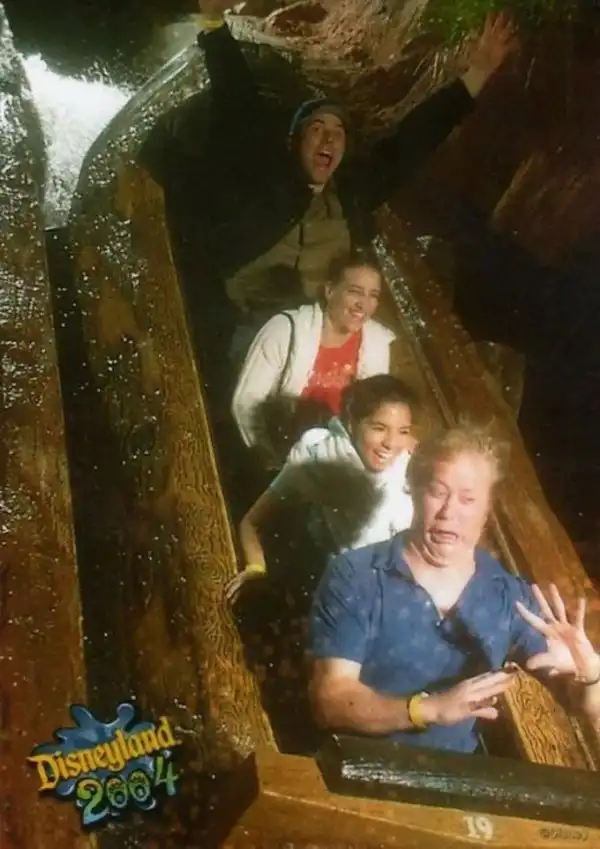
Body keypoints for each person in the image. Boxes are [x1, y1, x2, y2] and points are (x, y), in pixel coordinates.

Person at [141, 5, 519, 389]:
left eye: (337, 133)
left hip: (324, 330)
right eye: (316, 129)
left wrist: (477, 74)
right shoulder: (264, 179)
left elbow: (412, 140)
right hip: (248, 325)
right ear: (296, 142)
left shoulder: (352, 193)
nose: (328, 139)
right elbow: (238, 100)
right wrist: (213, 24)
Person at [308, 424, 600, 753]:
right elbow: (329, 701)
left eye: (468, 499)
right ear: (414, 491)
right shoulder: (356, 575)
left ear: (487, 510)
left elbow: (587, 707)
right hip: (356, 767)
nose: (449, 513)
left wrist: (592, 676)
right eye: (438, 492)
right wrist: (429, 709)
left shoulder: (508, 596)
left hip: (454, 776)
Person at [226, 374, 419, 602]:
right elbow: (252, 523)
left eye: (403, 431)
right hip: (321, 593)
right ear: (352, 423)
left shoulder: (414, 472)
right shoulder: (317, 454)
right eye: (379, 428)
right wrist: (256, 568)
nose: (391, 443)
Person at [231, 251, 394, 449]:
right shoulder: (285, 329)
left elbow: (375, 414)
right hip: (285, 449)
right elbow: (246, 403)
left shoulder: (377, 342)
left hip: (342, 455)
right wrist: (268, 456)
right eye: (355, 292)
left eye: (373, 295)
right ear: (330, 290)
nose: (364, 304)